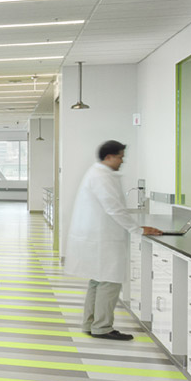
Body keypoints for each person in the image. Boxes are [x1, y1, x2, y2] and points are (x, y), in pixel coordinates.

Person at [62, 139, 162, 341]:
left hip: (99, 237)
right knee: (110, 282)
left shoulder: (98, 173)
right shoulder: (101, 176)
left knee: (97, 281)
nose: (122, 162)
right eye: (120, 157)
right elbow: (113, 207)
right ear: (109, 157)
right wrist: (137, 229)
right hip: (103, 239)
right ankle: (103, 327)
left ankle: (91, 324)